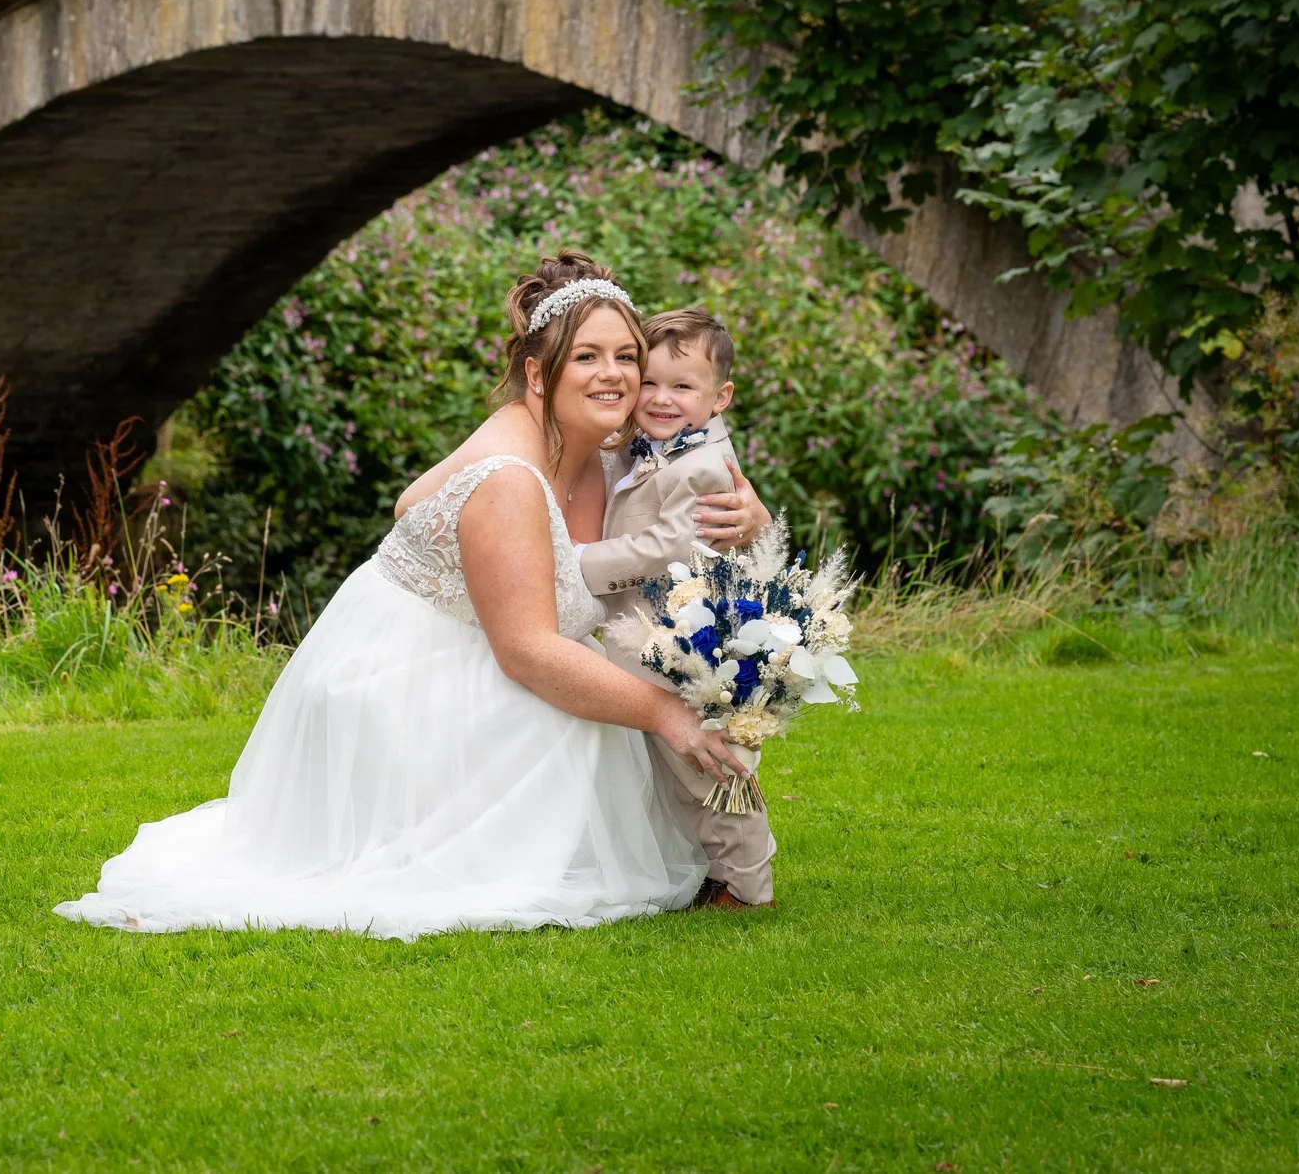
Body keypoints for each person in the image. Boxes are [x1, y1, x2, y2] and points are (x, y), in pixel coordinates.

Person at [55, 255, 770, 940]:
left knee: (591, 713)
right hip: (416, 677)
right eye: (586, 357)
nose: (613, 375)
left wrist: (754, 517)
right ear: (536, 374)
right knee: (577, 721)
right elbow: (525, 649)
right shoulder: (511, 474)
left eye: (626, 357)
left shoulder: (614, 446)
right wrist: (663, 713)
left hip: (501, 647)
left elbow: (412, 502)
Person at [580, 307, 775, 910]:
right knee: (685, 769)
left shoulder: (700, 463)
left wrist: (578, 561)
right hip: (660, 643)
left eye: (682, 386)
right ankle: (716, 870)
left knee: (710, 768)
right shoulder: (654, 447)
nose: (661, 399)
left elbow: (669, 547)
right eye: (653, 383)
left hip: (689, 647)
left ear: (721, 397)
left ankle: (747, 885)